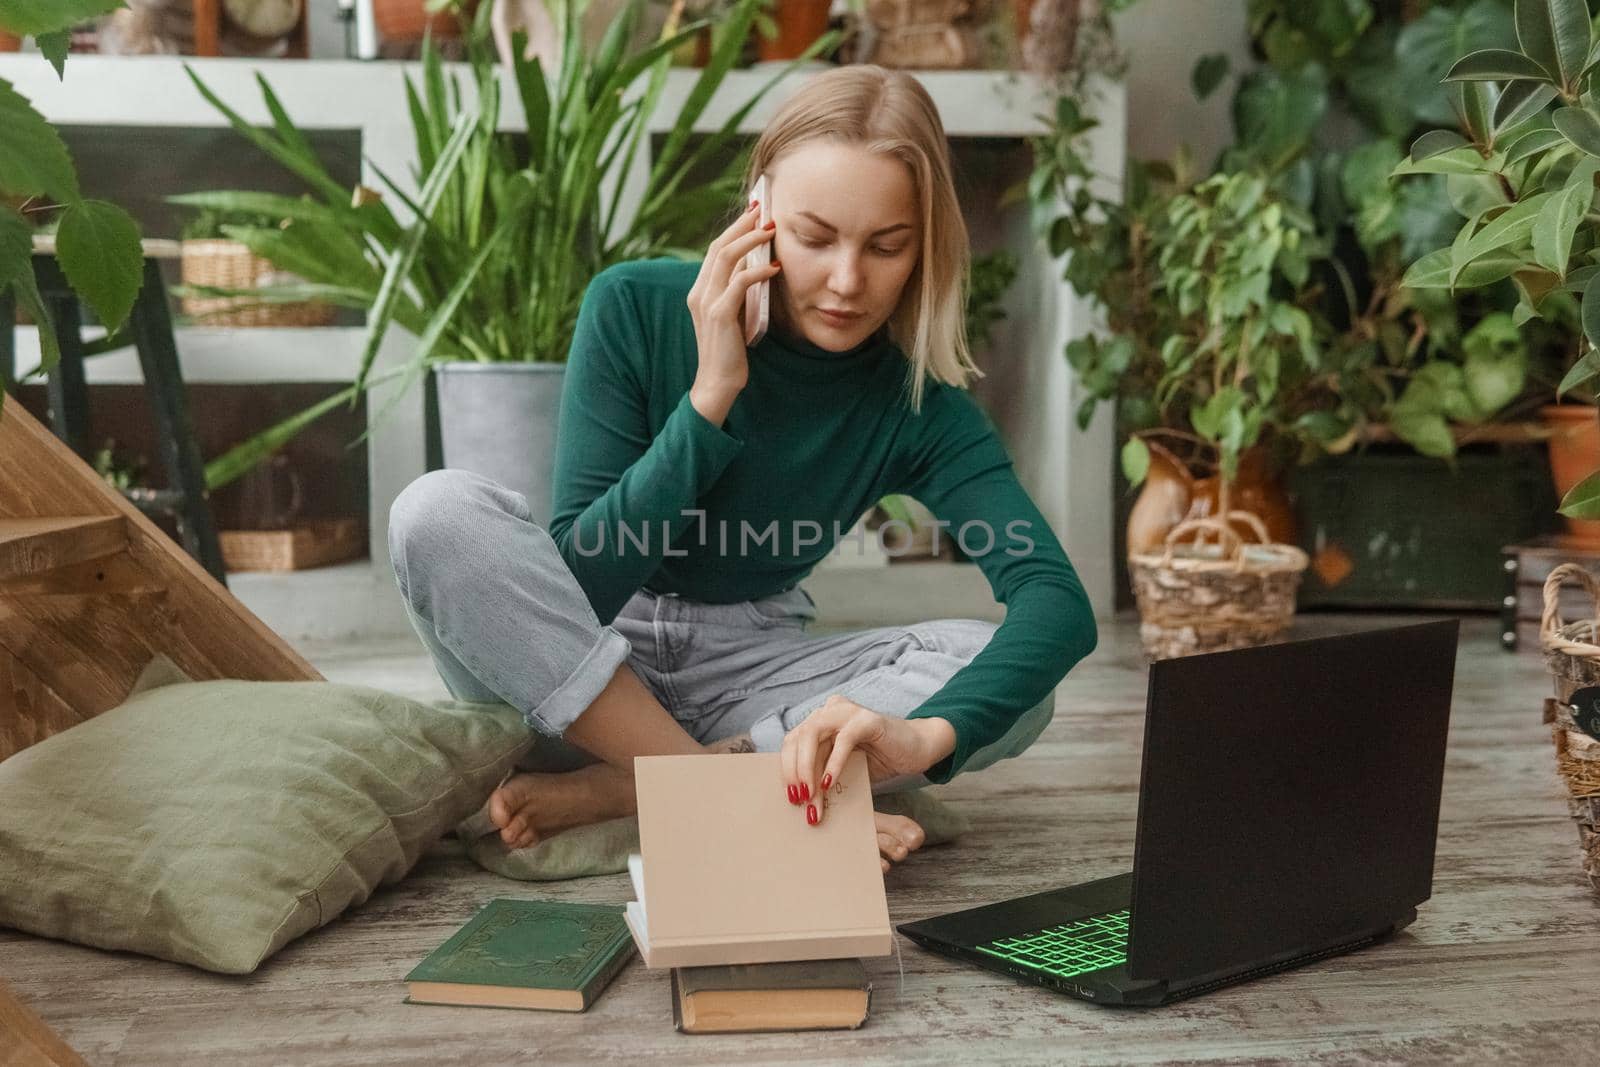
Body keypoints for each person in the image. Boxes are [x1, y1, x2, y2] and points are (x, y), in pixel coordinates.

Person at [387, 65, 1097, 875]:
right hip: (571, 678)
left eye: (886, 246)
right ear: (758, 212)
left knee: (1011, 686)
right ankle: (728, 791)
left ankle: (633, 790)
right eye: (816, 236)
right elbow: (577, 593)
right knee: (434, 512)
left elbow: (1056, 601)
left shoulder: (920, 406)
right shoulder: (632, 308)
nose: (846, 280)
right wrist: (710, 396)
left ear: (924, 244)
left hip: (754, 683)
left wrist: (922, 736)